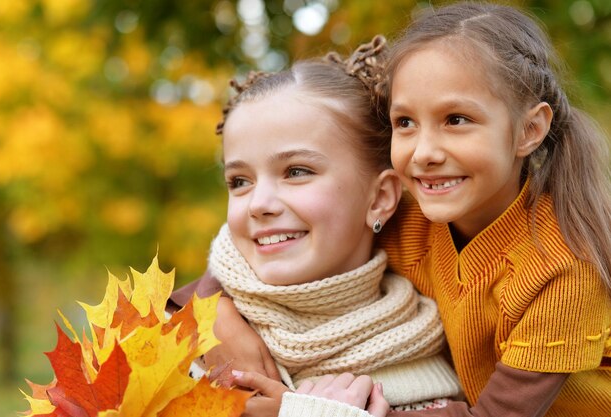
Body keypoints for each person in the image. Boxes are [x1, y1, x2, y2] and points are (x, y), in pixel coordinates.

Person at [174, 2, 611, 417]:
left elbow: (496, 414)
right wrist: (217, 315)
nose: (424, 152)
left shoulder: (565, 270)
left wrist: (308, 410)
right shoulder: (412, 212)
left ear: (529, 130)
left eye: (456, 120)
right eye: (406, 123)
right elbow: (251, 243)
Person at [170, 36, 462, 416]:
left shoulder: (438, 344)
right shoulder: (175, 340)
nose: (258, 204)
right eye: (239, 181)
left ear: (380, 198)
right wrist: (208, 313)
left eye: (296, 172)